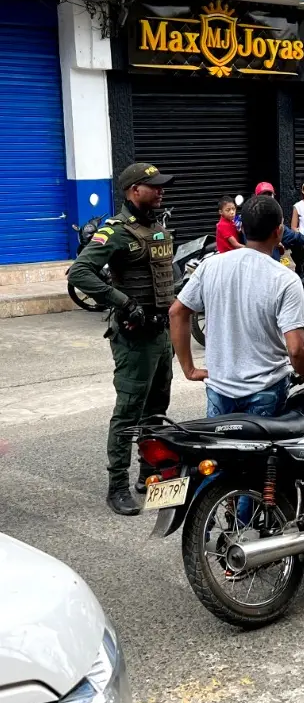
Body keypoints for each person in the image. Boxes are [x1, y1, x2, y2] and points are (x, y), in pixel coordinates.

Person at [67, 162, 177, 516]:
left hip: (161, 334)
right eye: (153, 187)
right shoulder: (115, 231)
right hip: (134, 338)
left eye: (161, 187)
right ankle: (117, 486)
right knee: (128, 412)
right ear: (133, 191)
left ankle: (149, 474)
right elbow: (80, 272)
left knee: (156, 409)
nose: (160, 192)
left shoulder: (157, 227)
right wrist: (123, 302)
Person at [171, 194, 304, 415]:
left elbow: (177, 312)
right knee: (266, 449)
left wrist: (189, 369)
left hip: (219, 389)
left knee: (223, 450)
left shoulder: (210, 266)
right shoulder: (284, 279)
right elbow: (296, 349)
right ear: (278, 231)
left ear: (243, 230)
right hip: (266, 391)